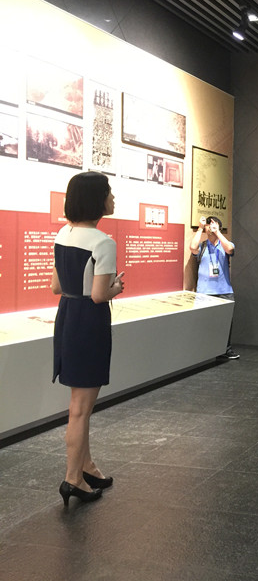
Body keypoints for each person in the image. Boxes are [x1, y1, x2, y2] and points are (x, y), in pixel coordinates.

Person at [51, 172, 124, 506]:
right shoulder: (103, 242)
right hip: (89, 322)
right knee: (80, 409)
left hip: (67, 316)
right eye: (109, 192)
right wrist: (116, 288)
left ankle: (87, 466)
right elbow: (98, 295)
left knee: (78, 405)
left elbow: (56, 287)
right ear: (97, 199)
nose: (113, 198)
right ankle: (73, 479)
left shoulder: (62, 234)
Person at [190, 215, 239, 359]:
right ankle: (204, 352)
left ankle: (225, 349)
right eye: (209, 224)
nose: (211, 226)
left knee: (225, 323)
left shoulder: (225, 244)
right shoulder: (203, 245)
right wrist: (200, 228)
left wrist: (217, 232)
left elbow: (230, 249)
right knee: (204, 323)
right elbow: (192, 248)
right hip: (204, 292)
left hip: (224, 290)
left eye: (214, 224)